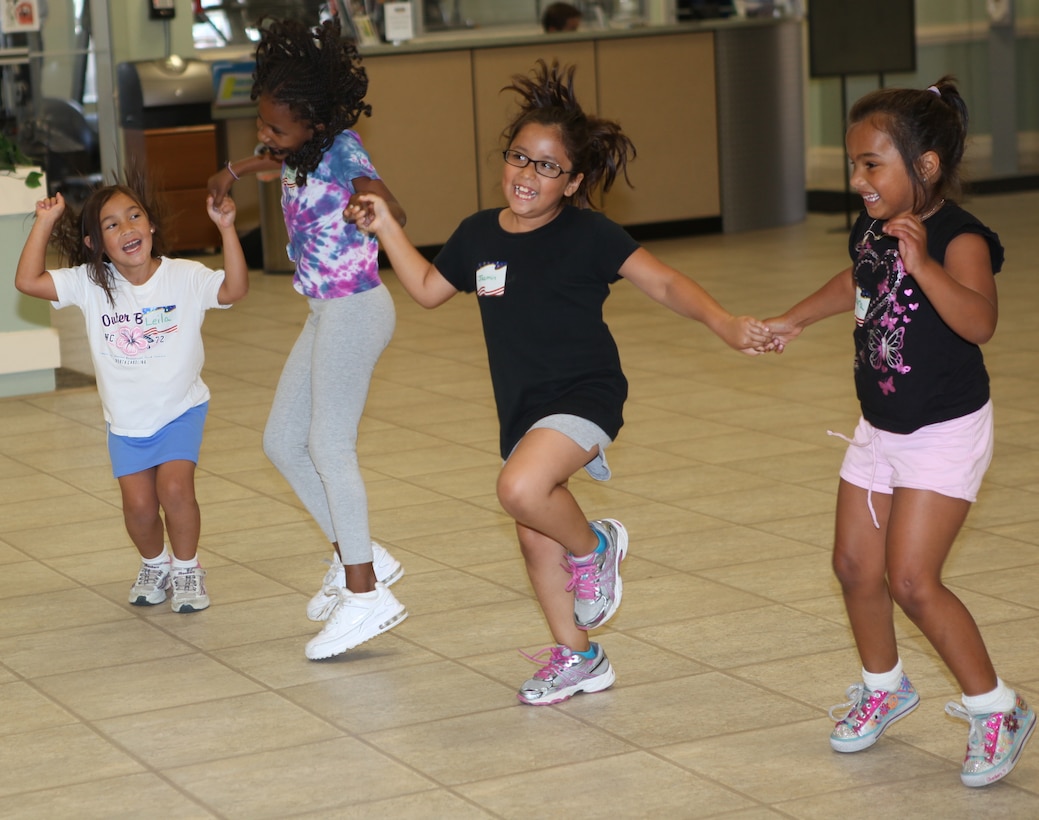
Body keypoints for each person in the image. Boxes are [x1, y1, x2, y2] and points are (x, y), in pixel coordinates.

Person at [351, 60, 773, 704]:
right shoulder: (477, 234)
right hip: (523, 406)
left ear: (573, 181)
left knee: (519, 489)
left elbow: (660, 279)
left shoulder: (589, 234)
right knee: (532, 529)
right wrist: (386, 227)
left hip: (586, 392)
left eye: (548, 166)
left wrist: (722, 321)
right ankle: (580, 657)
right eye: (521, 158)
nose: (528, 175)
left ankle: (597, 545)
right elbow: (430, 289)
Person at [765, 76, 1034, 787]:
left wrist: (921, 264)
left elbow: (978, 322)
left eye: (869, 164)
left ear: (925, 167)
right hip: (877, 426)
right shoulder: (871, 226)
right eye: (854, 164)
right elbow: (853, 280)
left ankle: (996, 707)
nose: (856, 179)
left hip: (945, 429)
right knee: (854, 567)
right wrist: (794, 317)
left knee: (912, 579)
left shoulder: (960, 238)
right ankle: (882, 686)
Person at [206, 16, 408, 660]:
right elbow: (276, 163)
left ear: (316, 123)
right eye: (261, 124)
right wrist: (235, 170)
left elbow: (388, 204)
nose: (266, 136)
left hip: (357, 309)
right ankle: (362, 552)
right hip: (325, 311)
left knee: (328, 443)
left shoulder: (344, 152)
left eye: (276, 128)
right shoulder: (300, 149)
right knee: (280, 442)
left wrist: (371, 209)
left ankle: (366, 592)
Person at [14, 171, 249, 614]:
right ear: (94, 244)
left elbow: (234, 289)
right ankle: (154, 564)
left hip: (181, 409)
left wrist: (226, 228)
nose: (127, 228)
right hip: (126, 421)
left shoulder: (184, 276)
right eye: (111, 224)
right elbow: (28, 282)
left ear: (151, 226)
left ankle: (186, 568)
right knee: (139, 507)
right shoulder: (89, 282)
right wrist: (44, 222)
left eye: (134, 216)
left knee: (175, 490)